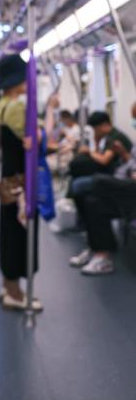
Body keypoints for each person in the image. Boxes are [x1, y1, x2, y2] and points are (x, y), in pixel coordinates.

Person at [0, 53, 42, 312]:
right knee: (20, 234)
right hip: (21, 181)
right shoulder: (17, 108)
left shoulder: (1, 104)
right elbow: (36, 140)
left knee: (9, 230)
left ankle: (8, 285)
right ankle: (14, 292)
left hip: (8, 177)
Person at [70, 102, 136, 275]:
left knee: (96, 182)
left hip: (132, 188)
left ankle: (99, 251)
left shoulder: (116, 136)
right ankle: (100, 252)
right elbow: (130, 163)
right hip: (125, 182)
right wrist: (124, 154)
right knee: (90, 201)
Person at [68, 110, 132, 184]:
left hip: (120, 174)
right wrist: (96, 142)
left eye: (95, 129)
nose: (94, 133)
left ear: (104, 125)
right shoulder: (109, 136)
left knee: (78, 182)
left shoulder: (115, 137)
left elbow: (104, 160)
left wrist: (89, 151)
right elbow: (99, 155)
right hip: (115, 171)